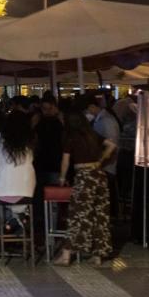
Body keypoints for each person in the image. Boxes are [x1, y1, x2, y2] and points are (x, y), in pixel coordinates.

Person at [53, 111, 117, 266]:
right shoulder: (92, 135)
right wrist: (101, 160)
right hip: (99, 175)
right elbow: (112, 145)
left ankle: (67, 253)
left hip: (84, 176)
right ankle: (97, 255)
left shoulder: (70, 137)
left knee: (78, 215)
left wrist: (62, 177)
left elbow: (65, 160)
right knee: (99, 215)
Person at [0, 111, 36, 234]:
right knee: (17, 200)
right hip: (27, 189)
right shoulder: (30, 137)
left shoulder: (2, 137)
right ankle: (17, 217)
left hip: (4, 190)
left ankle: (10, 220)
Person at [86, 96, 120, 215]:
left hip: (106, 164)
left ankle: (111, 216)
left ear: (92, 107)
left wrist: (103, 160)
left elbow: (112, 144)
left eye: (87, 110)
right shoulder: (101, 120)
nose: (87, 113)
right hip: (104, 163)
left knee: (107, 193)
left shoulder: (106, 121)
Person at [34, 97, 65, 185]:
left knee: (53, 190)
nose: (47, 111)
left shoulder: (60, 120)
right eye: (44, 109)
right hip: (42, 161)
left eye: (50, 108)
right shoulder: (39, 121)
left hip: (55, 162)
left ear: (55, 107)